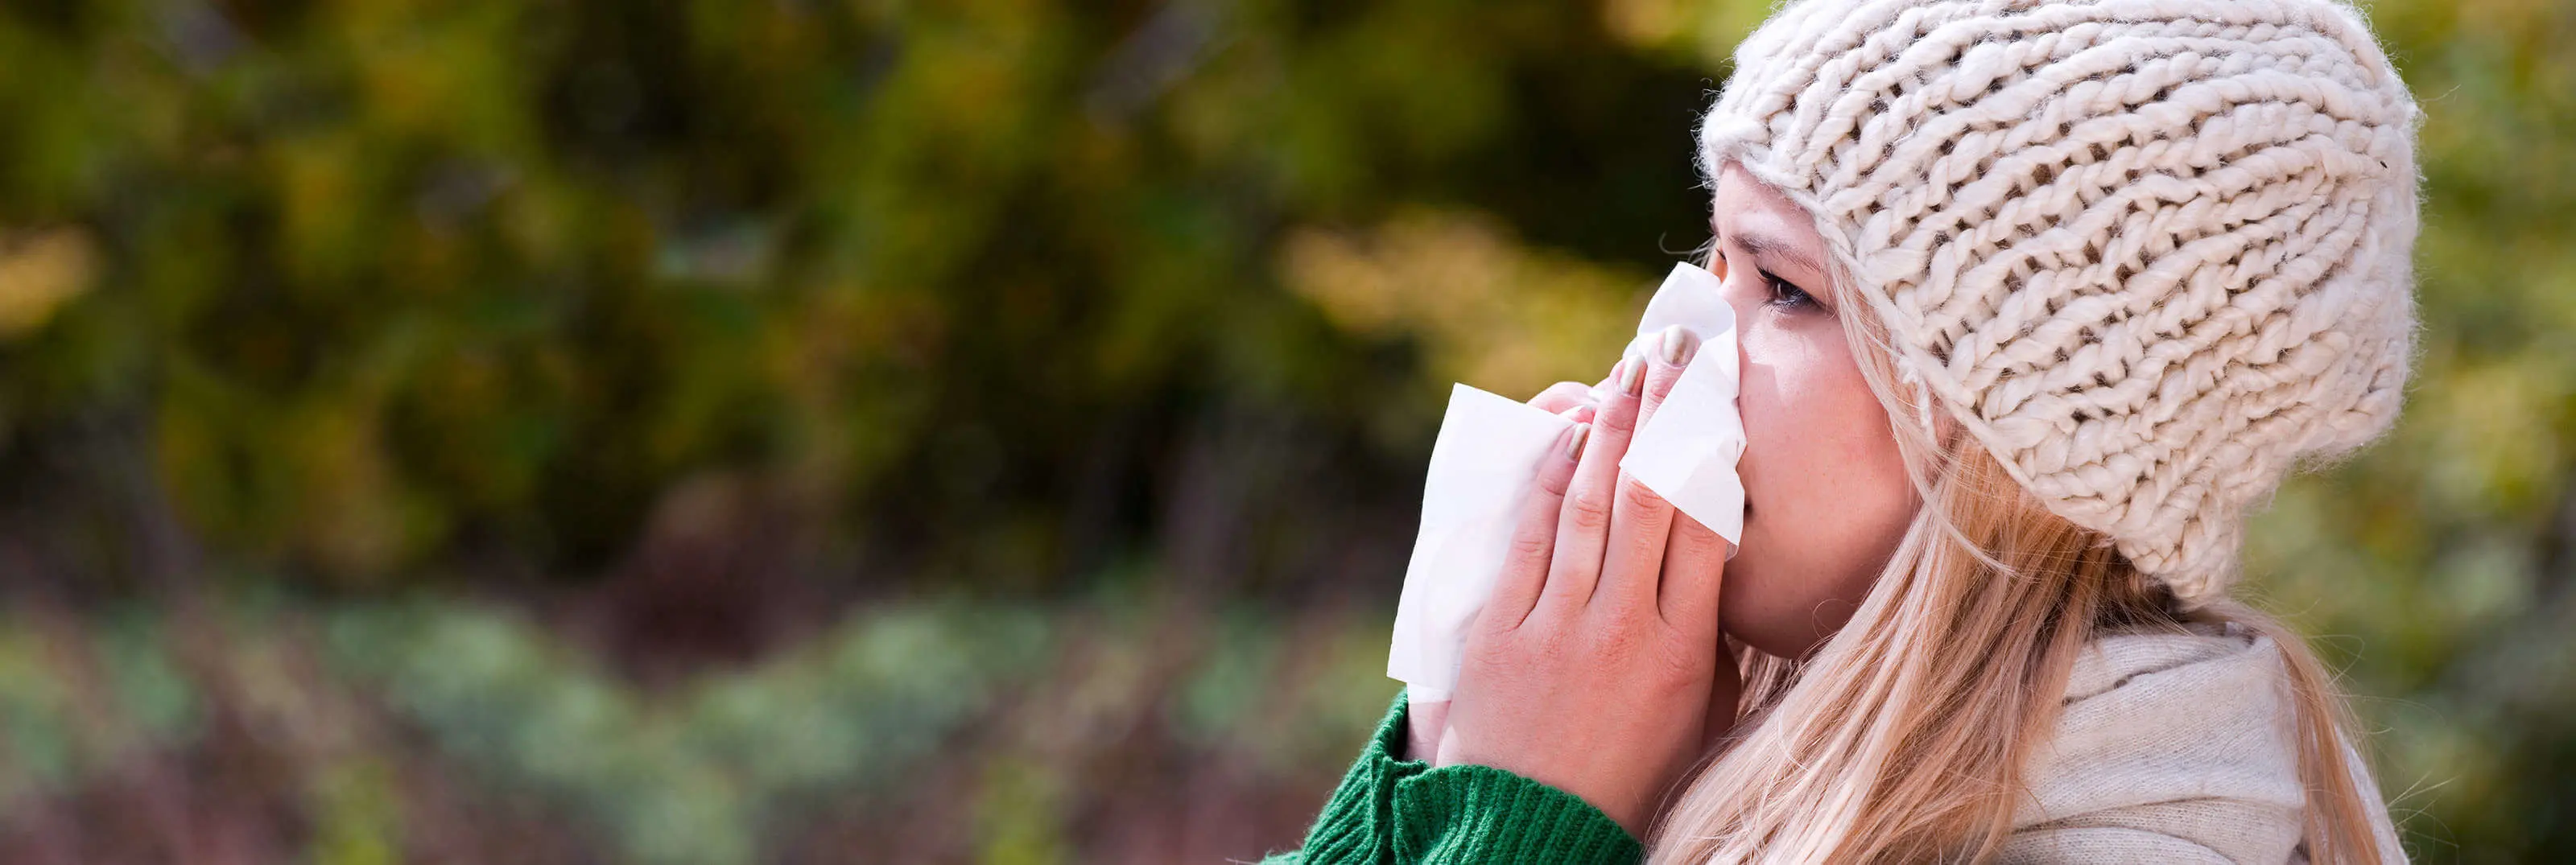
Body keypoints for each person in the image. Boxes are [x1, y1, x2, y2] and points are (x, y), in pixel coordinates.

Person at [1260, 0, 2423, 861]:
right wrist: (1449, 754)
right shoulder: (1761, 757)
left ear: (2029, 438)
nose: (1668, 345)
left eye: (1787, 289)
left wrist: (1525, 817)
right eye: (1713, 257)